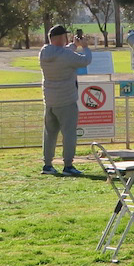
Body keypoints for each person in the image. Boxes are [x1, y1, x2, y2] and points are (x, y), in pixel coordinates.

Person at [38, 23, 92, 176]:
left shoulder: (44, 52)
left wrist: (74, 46)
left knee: (49, 134)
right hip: (67, 100)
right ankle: (68, 165)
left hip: (49, 100)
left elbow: (62, 53)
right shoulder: (66, 55)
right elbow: (85, 60)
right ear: (61, 38)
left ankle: (47, 164)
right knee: (69, 134)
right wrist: (85, 47)